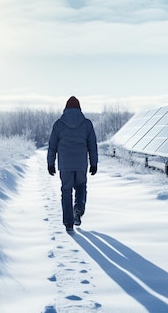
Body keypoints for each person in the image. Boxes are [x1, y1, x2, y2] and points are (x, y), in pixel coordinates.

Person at [47, 96, 98, 232]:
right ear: (79, 108)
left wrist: (50, 163)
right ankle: (78, 210)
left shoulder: (58, 124)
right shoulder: (87, 124)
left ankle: (68, 223)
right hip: (81, 164)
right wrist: (94, 163)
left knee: (66, 191)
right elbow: (92, 145)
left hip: (65, 165)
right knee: (81, 187)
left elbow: (52, 145)